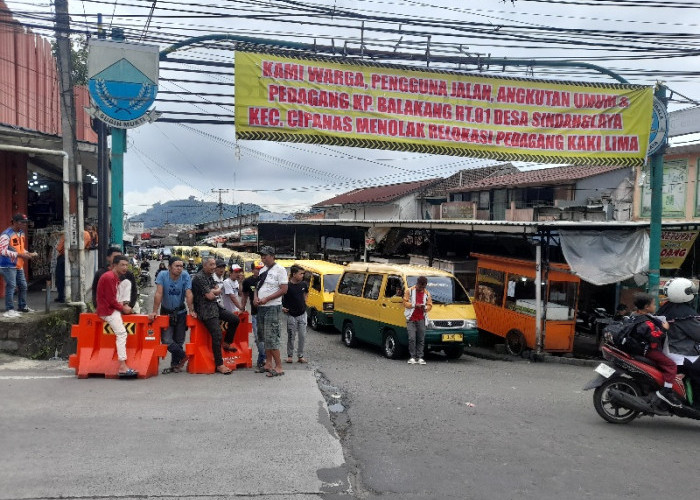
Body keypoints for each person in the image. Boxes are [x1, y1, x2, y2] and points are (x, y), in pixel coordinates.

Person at [631, 293, 683, 407]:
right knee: (671, 365)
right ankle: (666, 391)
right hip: (648, 350)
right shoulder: (646, 322)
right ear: (646, 307)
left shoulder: (635, 315)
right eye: (653, 304)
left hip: (640, 348)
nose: (655, 306)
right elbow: (654, 336)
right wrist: (664, 329)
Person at [191, 256, 240, 375]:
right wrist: (213, 291)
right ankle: (219, 364)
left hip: (216, 306)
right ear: (204, 265)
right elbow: (210, 296)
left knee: (235, 320)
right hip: (205, 310)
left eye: (215, 265)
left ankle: (227, 343)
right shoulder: (199, 277)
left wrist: (212, 291)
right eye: (211, 265)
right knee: (217, 334)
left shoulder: (209, 276)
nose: (214, 267)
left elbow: (217, 289)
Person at [149, 256, 195, 373]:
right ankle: (184, 355)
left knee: (179, 340)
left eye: (181, 266)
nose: (179, 269)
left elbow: (188, 294)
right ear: (169, 267)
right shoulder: (162, 275)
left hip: (181, 312)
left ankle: (175, 365)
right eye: (176, 266)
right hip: (166, 312)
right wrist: (154, 311)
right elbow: (159, 293)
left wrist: (191, 310)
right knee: (166, 340)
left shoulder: (185, 276)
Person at [96, 255, 137, 377]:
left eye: (126, 265)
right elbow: (110, 301)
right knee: (122, 333)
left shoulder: (114, 277)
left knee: (127, 283)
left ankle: (125, 306)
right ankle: (123, 366)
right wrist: (123, 309)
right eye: (122, 265)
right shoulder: (109, 277)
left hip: (112, 306)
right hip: (107, 311)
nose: (125, 267)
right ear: (114, 265)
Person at [254, 246, 288, 377]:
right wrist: (256, 298)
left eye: (265, 256)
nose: (263, 258)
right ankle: (268, 363)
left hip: (273, 306)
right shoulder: (262, 270)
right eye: (261, 256)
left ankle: (279, 366)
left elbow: (283, 289)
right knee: (264, 337)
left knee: (272, 336)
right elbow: (257, 287)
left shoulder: (280, 270)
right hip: (261, 307)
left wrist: (267, 298)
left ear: (272, 256)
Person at [0, 214, 38, 317]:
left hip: (18, 264)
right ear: (15, 222)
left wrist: (27, 253)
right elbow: (2, 251)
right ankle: (10, 309)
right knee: (11, 285)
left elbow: (20, 249)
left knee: (23, 285)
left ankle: (22, 306)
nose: (25, 224)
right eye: (22, 222)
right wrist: (20, 255)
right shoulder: (6, 234)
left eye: (26, 222)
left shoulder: (21, 233)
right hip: (7, 264)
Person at [55, 229, 92, 303]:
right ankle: (76, 296)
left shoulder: (66, 233)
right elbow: (88, 246)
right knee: (77, 277)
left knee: (60, 278)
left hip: (64, 257)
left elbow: (59, 248)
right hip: (79, 258)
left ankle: (61, 296)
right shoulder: (87, 234)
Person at [403, 276, 433, 365]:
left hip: (421, 318)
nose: (422, 289)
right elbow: (404, 302)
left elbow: (430, 305)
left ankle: (420, 357)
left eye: (424, 287)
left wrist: (425, 308)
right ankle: (412, 357)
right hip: (411, 318)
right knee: (412, 338)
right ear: (417, 284)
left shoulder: (427, 293)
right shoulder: (409, 291)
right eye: (420, 287)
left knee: (421, 338)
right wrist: (414, 305)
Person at [283, 264, 309, 364]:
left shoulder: (303, 284)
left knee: (302, 336)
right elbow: (280, 297)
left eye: (303, 273)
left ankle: (300, 356)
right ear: (294, 274)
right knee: (291, 336)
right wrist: (282, 307)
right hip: (291, 315)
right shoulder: (287, 286)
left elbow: (306, 293)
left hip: (302, 314)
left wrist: (304, 300)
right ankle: (290, 356)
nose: (302, 275)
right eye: (300, 273)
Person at [242, 260, 265, 370]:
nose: (259, 271)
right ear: (252, 270)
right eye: (257, 268)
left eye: (261, 268)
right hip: (255, 313)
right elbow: (245, 296)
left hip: (267, 312)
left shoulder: (267, 280)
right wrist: (242, 308)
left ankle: (263, 359)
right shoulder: (247, 281)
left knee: (267, 337)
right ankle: (263, 358)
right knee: (258, 338)